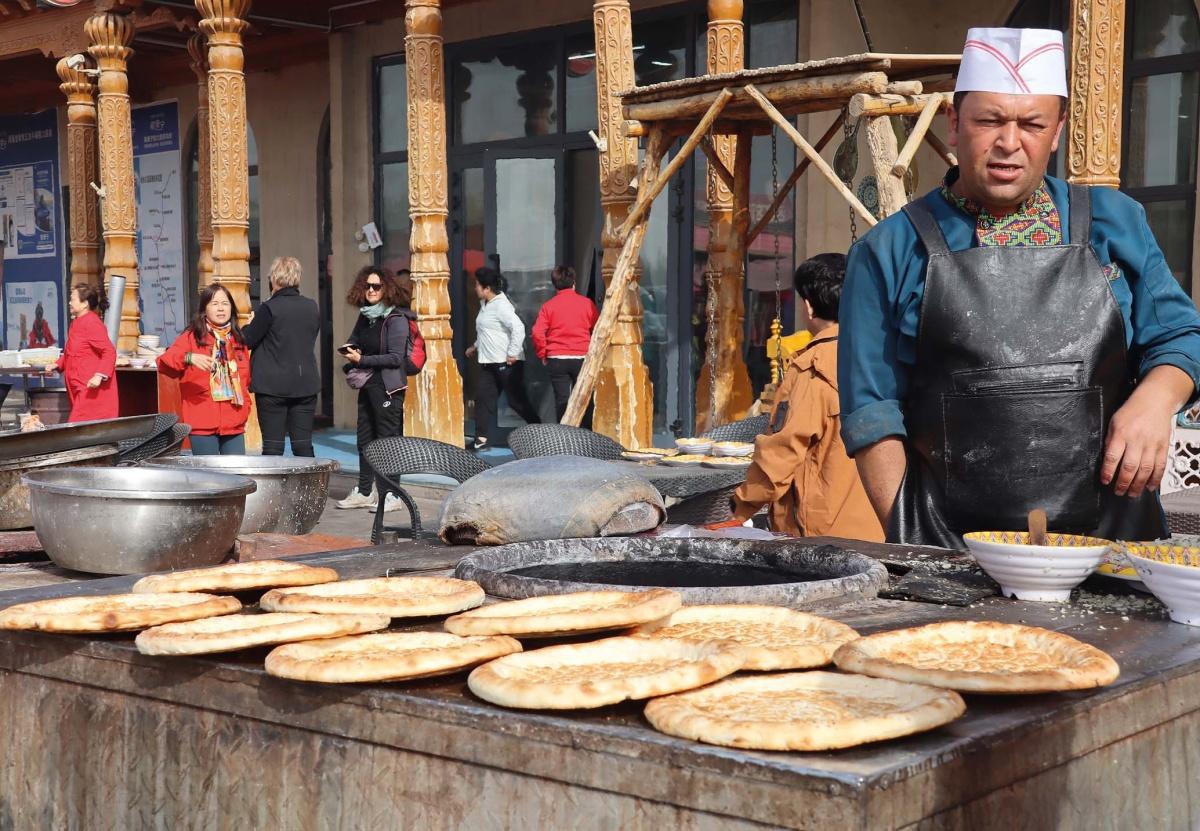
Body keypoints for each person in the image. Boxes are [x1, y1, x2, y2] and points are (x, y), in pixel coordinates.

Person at [839, 27, 1200, 549]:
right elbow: (871, 412)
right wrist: (915, 541)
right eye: (989, 121)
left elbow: (1180, 336)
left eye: (1032, 123)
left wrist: (1155, 399)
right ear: (954, 121)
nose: (1009, 143)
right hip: (950, 544)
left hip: (1114, 541)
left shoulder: (1116, 222)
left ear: (1057, 131)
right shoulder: (886, 252)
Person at [730, 255, 882, 540]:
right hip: (882, 527)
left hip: (820, 537)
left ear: (809, 306)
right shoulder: (884, 358)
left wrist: (741, 507)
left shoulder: (811, 370)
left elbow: (783, 451)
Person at [334, 266, 413, 511]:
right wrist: (351, 349)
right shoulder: (366, 316)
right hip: (368, 386)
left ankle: (392, 495)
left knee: (388, 442)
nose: (371, 290)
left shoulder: (396, 319)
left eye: (376, 286)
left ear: (386, 288)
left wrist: (362, 360)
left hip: (388, 387)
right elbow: (356, 338)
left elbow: (395, 358)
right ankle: (365, 491)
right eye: (367, 285)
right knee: (365, 441)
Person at [157, 283, 252, 455]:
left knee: (236, 477)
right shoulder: (191, 337)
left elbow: (245, 382)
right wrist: (189, 357)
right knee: (209, 478)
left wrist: (246, 412)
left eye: (225, 303)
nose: (221, 309)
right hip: (203, 423)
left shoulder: (237, 340)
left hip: (234, 424)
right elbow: (163, 363)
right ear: (204, 309)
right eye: (214, 304)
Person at [242, 256, 321, 457]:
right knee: (303, 445)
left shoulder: (269, 308)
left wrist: (249, 325)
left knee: (273, 446)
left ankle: (274, 489)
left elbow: (248, 339)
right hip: (305, 384)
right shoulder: (312, 306)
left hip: (272, 386)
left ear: (274, 280)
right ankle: (309, 488)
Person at [466, 266, 540, 450]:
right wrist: (475, 346)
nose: (474, 288)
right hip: (488, 362)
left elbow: (518, 328)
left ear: (487, 288)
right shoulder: (485, 305)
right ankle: (480, 440)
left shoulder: (501, 305)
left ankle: (541, 433)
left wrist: (513, 353)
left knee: (516, 402)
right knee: (482, 399)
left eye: (477, 285)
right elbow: (487, 330)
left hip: (506, 363)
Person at [531, 264, 599, 422]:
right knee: (585, 399)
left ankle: (565, 438)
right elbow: (598, 329)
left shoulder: (548, 306)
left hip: (557, 358)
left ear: (555, 285)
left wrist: (543, 353)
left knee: (562, 400)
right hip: (582, 356)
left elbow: (537, 332)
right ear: (574, 282)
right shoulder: (587, 304)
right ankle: (586, 436)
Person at [54, 282, 117, 423]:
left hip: (90, 390)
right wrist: (57, 364)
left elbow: (109, 351)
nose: (69, 302)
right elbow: (73, 350)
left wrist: (98, 376)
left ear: (85, 304)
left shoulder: (92, 323)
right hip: (78, 387)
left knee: (77, 427)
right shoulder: (76, 322)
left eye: (73, 299)